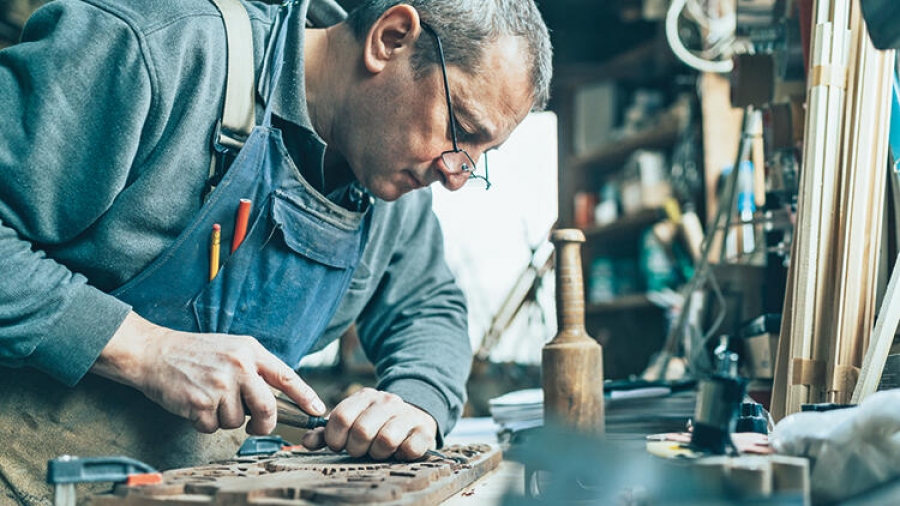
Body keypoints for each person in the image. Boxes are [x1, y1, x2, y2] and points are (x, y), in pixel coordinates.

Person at [0, 0, 551, 502]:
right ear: (391, 38)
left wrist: (415, 401)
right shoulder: (156, 49)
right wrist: (145, 349)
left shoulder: (388, 183)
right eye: (462, 130)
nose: (457, 175)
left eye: (483, 154)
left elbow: (427, 305)